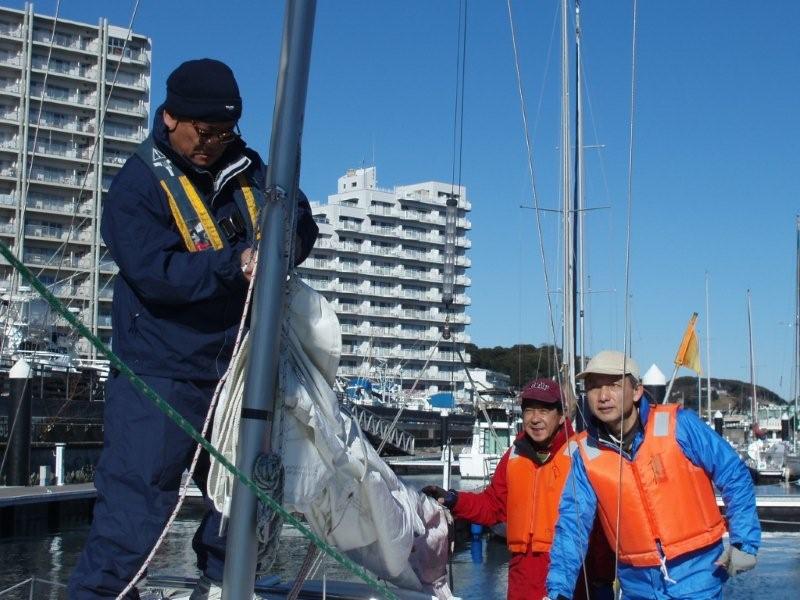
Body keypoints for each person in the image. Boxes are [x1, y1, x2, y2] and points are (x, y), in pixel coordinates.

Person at [68, 58, 318, 599]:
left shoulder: (252, 171)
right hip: (161, 371)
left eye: (224, 132)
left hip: (238, 368)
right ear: (171, 117)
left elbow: (301, 220)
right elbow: (155, 273)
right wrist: (236, 263)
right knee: (136, 502)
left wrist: (285, 246)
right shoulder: (138, 185)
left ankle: (223, 582)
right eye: (204, 132)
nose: (213, 144)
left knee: (242, 495)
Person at [546, 351, 761, 600]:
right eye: (594, 387)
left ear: (637, 391)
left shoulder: (679, 425)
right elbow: (572, 524)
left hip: (698, 577)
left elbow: (733, 474)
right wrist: (558, 591)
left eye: (614, 385)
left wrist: (743, 541)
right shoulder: (585, 453)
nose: (603, 396)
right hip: (636, 585)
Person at [422, 379, 614, 600]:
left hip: (571, 581)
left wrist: (602, 579)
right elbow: (493, 505)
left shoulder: (582, 454)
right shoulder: (514, 456)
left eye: (544, 411)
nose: (535, 418)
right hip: (521, 580)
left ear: (562, 416)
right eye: (529, 410)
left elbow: (602, 526)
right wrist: (454, 499)